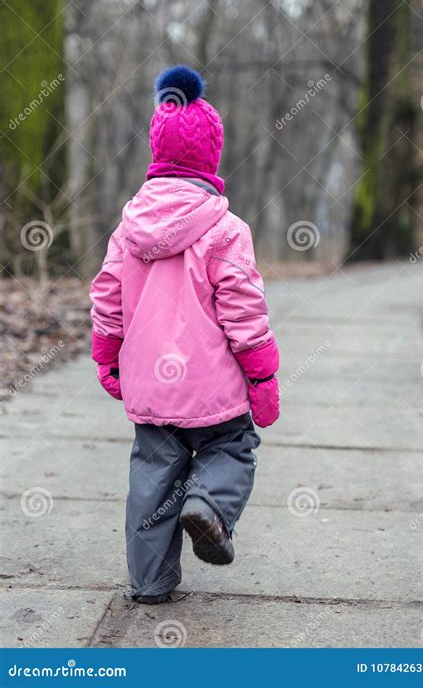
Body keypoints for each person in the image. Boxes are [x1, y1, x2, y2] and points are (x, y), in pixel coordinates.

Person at [89, 66, 280, 604]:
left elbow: (106, 298)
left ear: (156, 156)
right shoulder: (226, 229)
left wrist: (108, 356)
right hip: (213, 390)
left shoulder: (128, 228)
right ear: (210, 160)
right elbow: (245, 312)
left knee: (152, 476)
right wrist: (263, 375)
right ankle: (209, 506)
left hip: (151, 388)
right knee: (232, 446)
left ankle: (149, 583)